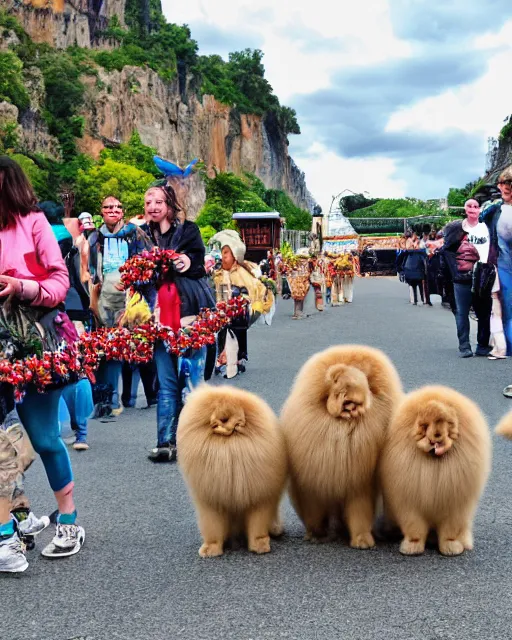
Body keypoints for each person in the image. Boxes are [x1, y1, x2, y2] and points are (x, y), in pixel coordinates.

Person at [0, 156, 84, 568]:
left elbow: (59, 283)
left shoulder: (33, 222)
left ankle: (68, 519)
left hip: (34, 342)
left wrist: (19, 286)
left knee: (46, 437)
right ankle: (13, 522)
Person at [143, 184, 215, 462]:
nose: (153, 206)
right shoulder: (142, 236)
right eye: (148, 201)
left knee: (194, 379)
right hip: (158, 316)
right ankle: (165, 442)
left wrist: (184, 260)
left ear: (170, 205)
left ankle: (202, 441)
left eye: (158, 201)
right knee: (167, 382)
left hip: (190, 311)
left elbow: (197, 261)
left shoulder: (188, 231)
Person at [88, 196, 152, 418]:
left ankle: (129, 397)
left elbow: (148, 265)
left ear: (123, 211)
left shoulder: (135, 234)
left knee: (130, 350)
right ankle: (107, 399)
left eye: (117, 206)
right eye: (108, 207)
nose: (113, 210)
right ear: (101, 211)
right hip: (103, 298)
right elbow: (90, 271)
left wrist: (136, 292)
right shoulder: (95, 237)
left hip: (130, 298)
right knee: (106, 351)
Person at [211, 230, 275, 378]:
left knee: (237, 336)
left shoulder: (243, 273)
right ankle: (223, 360)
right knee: (221, 336)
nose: (223, 256)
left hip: (238, 315)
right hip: (220, 314)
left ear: (234, 255)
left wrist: (247, 303)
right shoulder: (218, 273)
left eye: (226, 252)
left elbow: (256, 290)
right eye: (223, 252)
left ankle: (235, 360)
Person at [442, 199, 495, 358]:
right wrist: (457, 270)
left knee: (484, 312)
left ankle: (482, 346)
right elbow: (446, 251)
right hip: (462, 277)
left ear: (479, 210)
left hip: (483, 275)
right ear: (465, 209)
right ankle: (464, 346)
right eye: (469, 206)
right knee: (462, 312)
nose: (472, 209)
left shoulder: (486, 228)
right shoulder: (456, 228)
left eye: (476, 206)